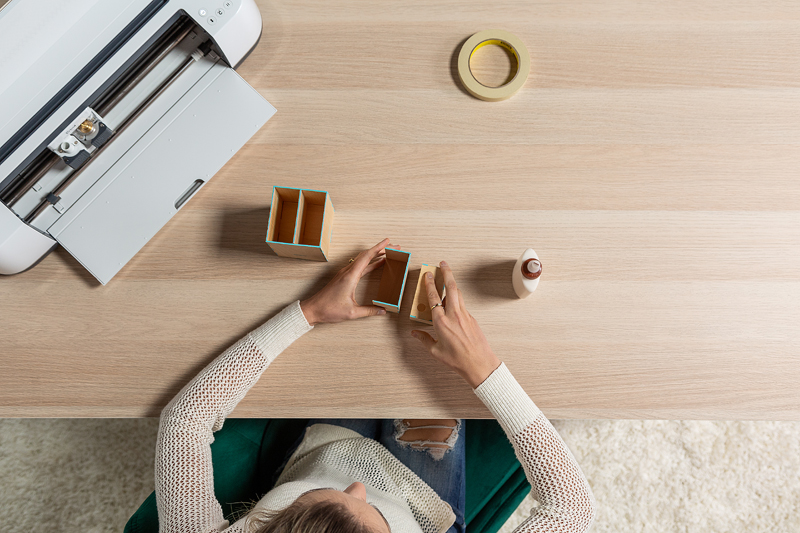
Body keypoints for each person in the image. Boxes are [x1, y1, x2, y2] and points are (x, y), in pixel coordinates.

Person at [155, 238, 597, 533]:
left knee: (355, 361)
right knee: (427, 378)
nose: (358, 487)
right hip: (422, 500)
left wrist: (306, 313)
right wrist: (484, 368)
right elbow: (572, 510)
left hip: (328, 446)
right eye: (372, 513)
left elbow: (183, 421)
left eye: (303, 502)